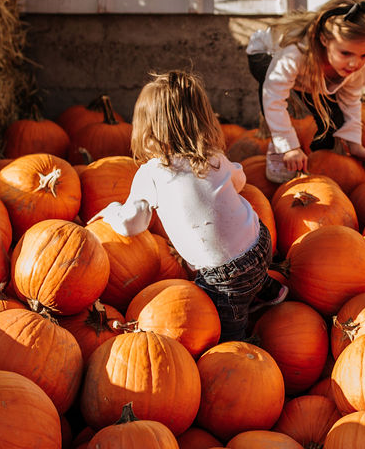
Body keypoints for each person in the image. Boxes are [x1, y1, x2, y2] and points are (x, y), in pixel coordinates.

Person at [91, 70, 286, 342]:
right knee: (247, 266)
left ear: (146, 129)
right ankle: (269, 289)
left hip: (224, 279)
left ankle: (244, 347)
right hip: (262, 245)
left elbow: (131, 225)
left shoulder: (152, 175)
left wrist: (110, 211)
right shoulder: (214, 157)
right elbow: (239, 181)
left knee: (224, 331)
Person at [246, 0, 365, 183]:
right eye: (346, 53)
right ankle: (278, 146)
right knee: (273, 91)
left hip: (310, 74)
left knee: (334, 115)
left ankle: (320, 154)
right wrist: (288, 146)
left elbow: (351, 102)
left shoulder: (354, 65)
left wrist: (354, 144)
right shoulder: (295, 54)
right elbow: (274, 97)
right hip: (264, 56)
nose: (355, 63)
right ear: (324, 39)